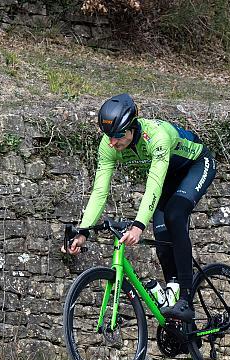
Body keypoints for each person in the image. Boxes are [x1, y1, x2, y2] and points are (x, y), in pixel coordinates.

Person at [63, 93, 216, 322]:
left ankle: (185, 299)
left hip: (195, 165)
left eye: (117, 136)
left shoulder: (157, 136)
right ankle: (174, 304)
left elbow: (153, 185)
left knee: (174, 215)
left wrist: (137, 225)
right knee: (162, 234)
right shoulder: (109, 145)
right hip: (168, 177)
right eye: (108, 136)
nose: (112, 142)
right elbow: (100, 192)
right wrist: (83, 231)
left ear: (132, 127)